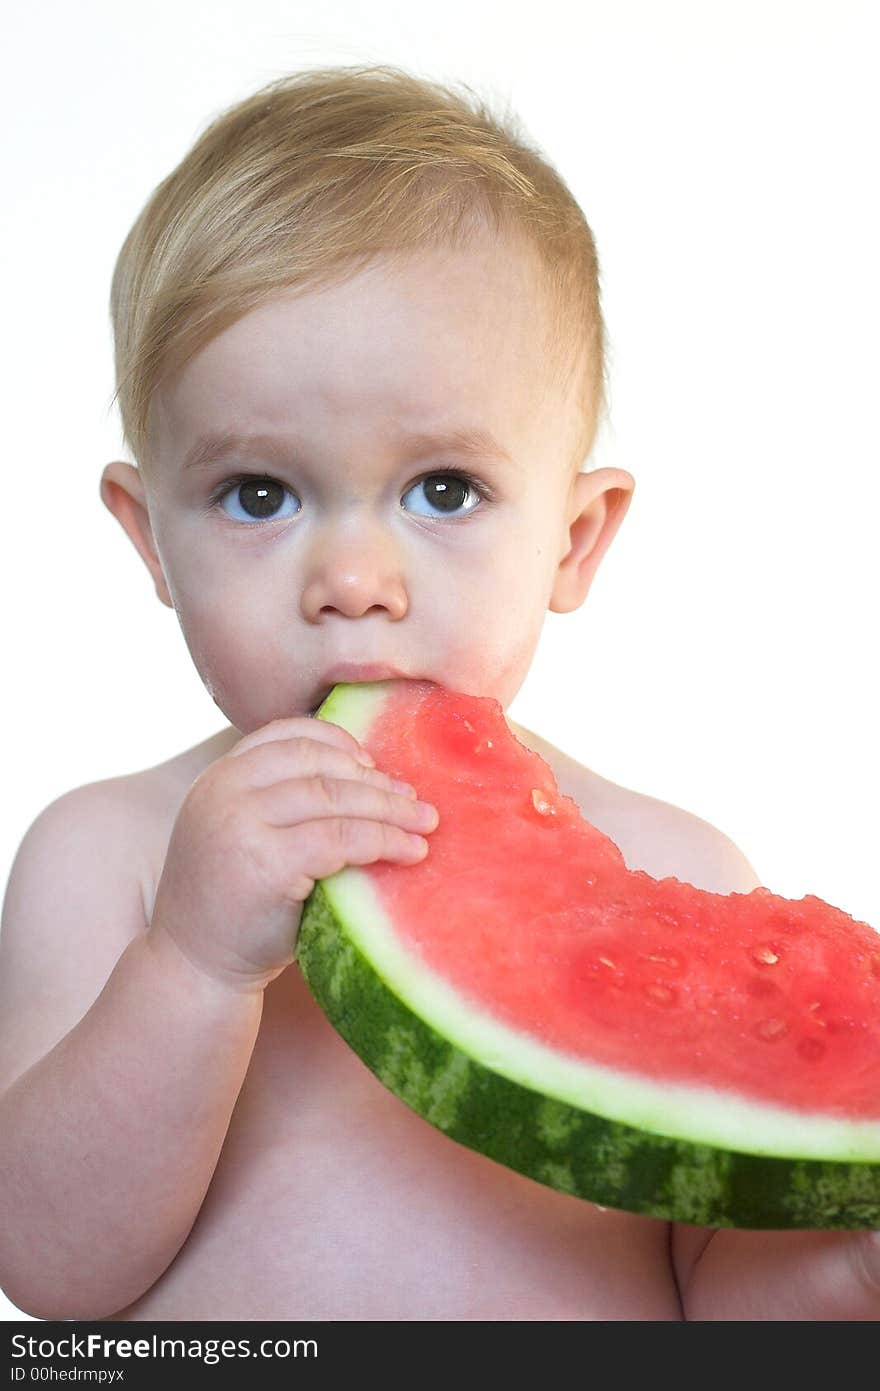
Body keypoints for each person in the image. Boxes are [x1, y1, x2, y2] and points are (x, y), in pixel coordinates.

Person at [0, 63, 876, 1323]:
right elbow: (50, 1269)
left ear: (574, 539)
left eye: (444, 489)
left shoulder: (676, 859)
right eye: (259, 493)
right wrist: (188, 961)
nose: (355, 580)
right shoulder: (109, 856)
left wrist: (848, 1261)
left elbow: (721, 1306)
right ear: (151, 541)